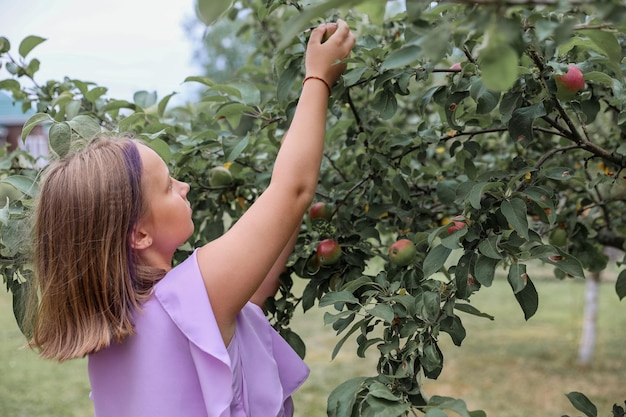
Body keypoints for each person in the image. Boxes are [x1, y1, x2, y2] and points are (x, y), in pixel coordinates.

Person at [28, 19, 356, 417]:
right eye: (167, 186)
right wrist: (318, 78)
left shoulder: (115, 327)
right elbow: (292, 191)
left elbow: (256, 287)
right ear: (140, 234)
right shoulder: (189, 295)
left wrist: (284, 207)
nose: (183, 186)